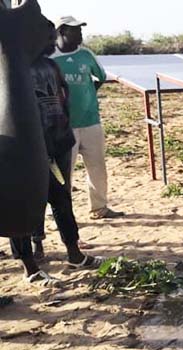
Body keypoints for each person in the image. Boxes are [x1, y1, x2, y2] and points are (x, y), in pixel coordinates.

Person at [10, 20, 102, 287]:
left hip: (56, 145)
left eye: (53, 37)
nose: (53, 43)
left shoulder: (51, 66)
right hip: (25, 153)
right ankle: (30, 267)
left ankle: (74, 254)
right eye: (48, 38)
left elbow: (64, 101)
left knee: (62, 201)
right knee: (22, 208)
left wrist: (62, 137)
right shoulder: (13, 69)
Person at [52, 15, 124, 220]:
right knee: (64, 173)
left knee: (97, 167)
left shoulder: (86, 55)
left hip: (91, 122)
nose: (80, 34)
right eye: (75, 30)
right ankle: (62, 214)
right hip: (64, 126)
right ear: (61, 32)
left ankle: (100, 208)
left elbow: (99, 78)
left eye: (80, 30)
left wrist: (87, 97)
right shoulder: (49, 58)